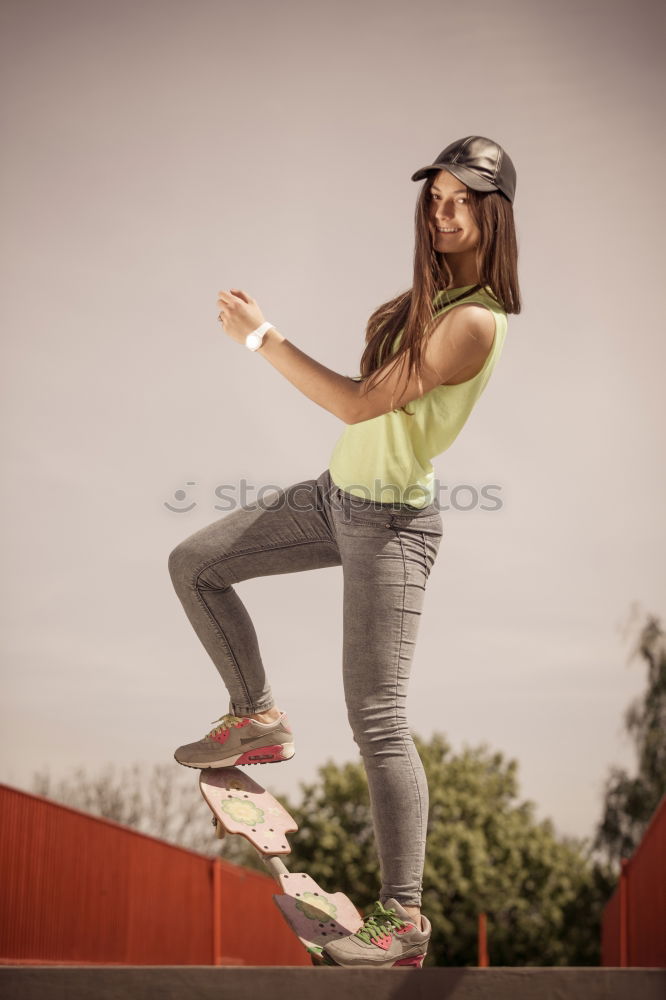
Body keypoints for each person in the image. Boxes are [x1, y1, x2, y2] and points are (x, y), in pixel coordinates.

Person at [167, 135, 521, 968]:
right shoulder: (428, 301)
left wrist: (262, 340)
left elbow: (363, 406)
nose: (444, 213)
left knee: (379, 722)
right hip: (335, 499)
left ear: (493, 213)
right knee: (196, 563)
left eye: (463, 200)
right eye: (435, 198)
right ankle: (254, 713)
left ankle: (403, 921)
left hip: (392, 524)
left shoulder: (475, 320)